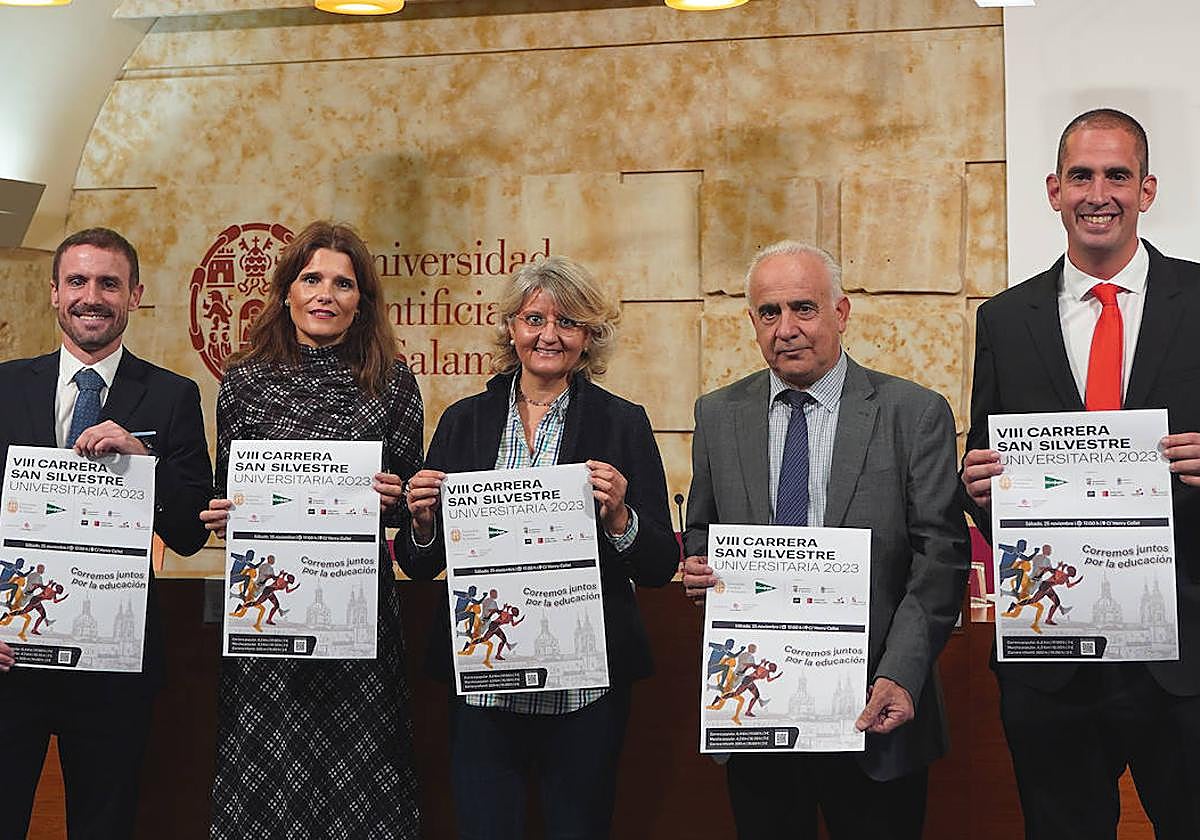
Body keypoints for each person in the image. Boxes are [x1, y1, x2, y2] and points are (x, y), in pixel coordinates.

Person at [960, 108, 1200, 840]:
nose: (1100, 193)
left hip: (1184, 660)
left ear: (1148, 189)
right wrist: (979, 490)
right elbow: (987, 469)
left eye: (1117, 175)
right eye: (1081, 176)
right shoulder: (1004, 318)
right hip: (1053, 664)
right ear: (1053, 191)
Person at [683, 241, 969, 840]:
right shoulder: (717, 415)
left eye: (804, 308)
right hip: (759, 714)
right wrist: (700, 567)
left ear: (841, 312)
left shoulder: (913, 413)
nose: (786, 329)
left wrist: (902, 673)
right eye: (769, 313)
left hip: (878, 709)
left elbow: (941, 556)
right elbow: (704, 530)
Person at [402, 255, 679, 838]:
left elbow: (658, 565)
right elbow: (418, 561)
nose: (548, 335)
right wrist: (424, 520)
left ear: (588, 337)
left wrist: (621, 515)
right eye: (533, 319)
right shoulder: (463, 420)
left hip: (584, 691)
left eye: (568, 322)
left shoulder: (622, 423)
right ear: (511, 328)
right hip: (483, 688)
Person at [200, 221, 423, 838]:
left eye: (343, 283)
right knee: (264, 783)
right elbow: (228, 491)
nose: (326, 293)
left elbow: (407, 507)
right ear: (287, 292)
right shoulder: (242, 380)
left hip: (358, 616)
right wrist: (222, 512)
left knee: (360, 788)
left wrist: (397, 498)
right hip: (267, 623)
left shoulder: (393, 382)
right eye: (312, 278)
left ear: (362, 301)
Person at [0, 226, 214, 837]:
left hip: (114, 662)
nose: (91, 296)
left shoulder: (173, 396)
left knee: (105, 822)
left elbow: (192, 528)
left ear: (135, 295)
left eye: (108, 283)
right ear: (53, 292)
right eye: (78, 281)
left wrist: (140, 466)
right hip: (9, 657)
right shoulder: (4, 385)